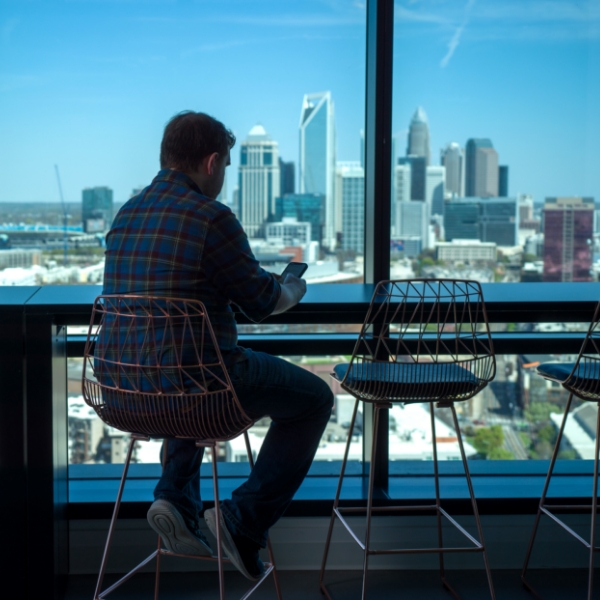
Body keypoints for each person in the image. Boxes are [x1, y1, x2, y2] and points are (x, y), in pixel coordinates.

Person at [101, 111, 334, 581]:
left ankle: (175, 498)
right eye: (226, 166)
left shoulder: (126, 215)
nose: (224, 177)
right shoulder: (211, 217)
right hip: (199, 392)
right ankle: (242, 522)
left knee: (184, 366)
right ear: (211, 162)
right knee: (314, 400)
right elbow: (260, 301)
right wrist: (291, 288)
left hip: (122, 391)